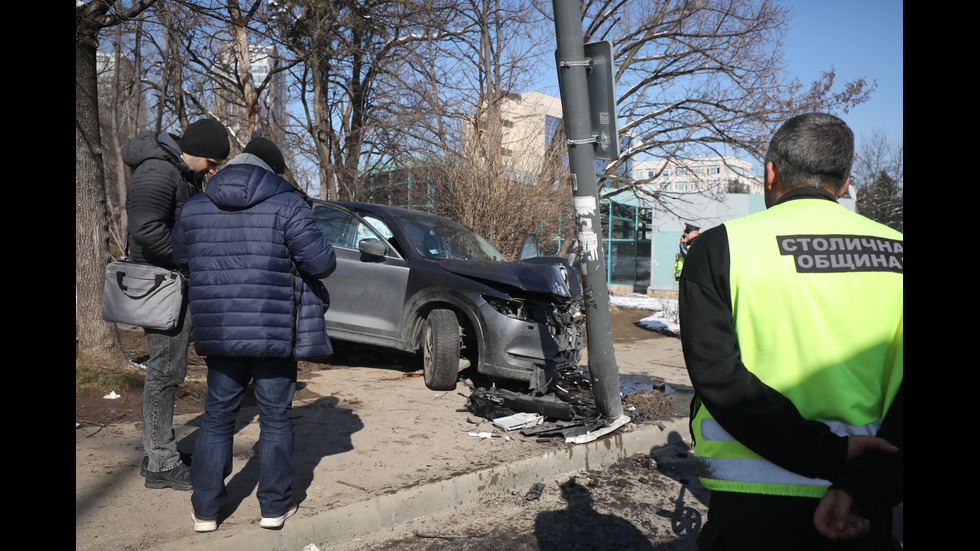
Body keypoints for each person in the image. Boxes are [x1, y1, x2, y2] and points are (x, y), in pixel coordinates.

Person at [678, 113, 903, 550]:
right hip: (860, 498)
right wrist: (865, 481)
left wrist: (825, 452)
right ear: (843, 184)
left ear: (771, 172)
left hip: (750, 500)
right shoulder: (898, 253)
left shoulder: (721, 246)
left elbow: (718, 376)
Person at [172, 137, 337, 533]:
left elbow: (182, 257)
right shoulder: (288, 204)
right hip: (274, 328)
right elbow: (322, 262)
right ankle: (274, 507)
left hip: (220, 327)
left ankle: (206, 511)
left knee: (217, 417)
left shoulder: (196, 206)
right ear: (272, 172)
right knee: (277, 418)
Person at [122, 118, 230, 490]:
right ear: (198, 153)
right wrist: (188, 259)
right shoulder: (159, 172)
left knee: (168, 371)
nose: (213, 170)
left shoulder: (179, 173)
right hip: (162, 285)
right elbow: (147, 229)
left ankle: (158, 452)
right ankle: (161, 462)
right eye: (213, 162)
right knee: (165, 372)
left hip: (171, 282)